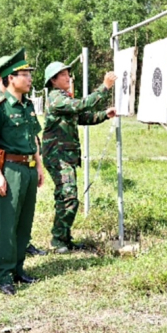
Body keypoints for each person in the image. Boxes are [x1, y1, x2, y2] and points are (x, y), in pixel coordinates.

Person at [0, 56, 47, 262]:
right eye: (19, 73)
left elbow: (30, 133)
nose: (27, 77)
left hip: (22, 162)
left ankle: (19, 241)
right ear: (4, 76)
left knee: (21, 205)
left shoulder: (24, 101)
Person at [41, 62, 117, 253]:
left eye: (68, 74)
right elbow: (82, 105)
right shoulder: (56, 98)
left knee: (67, 196)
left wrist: (104, 115)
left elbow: (82, 117)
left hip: (65, 156)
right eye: (63, 75)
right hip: (57, 157)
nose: (68, 78)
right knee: (68, 196)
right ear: (53, 80)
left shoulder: (64, 98)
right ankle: (58, 241)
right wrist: (104, 87)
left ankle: (64, 239)